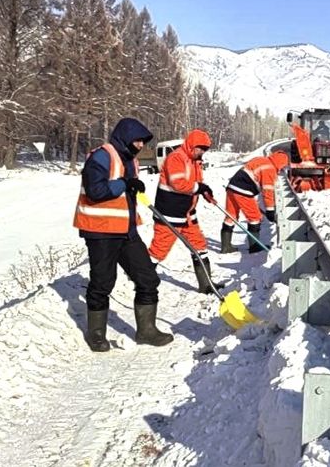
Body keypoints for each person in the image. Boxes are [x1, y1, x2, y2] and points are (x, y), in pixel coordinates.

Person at [73, 117, 173, 351]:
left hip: (126, 231)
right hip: (100, 231)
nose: (140, 145)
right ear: (125, 137)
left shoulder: (130, 160)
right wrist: (125, 184)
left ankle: (146, 330)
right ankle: (96, 334)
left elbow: (125, 187)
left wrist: (132, 184)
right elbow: (95, 190)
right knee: (102, 282)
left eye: (143, 141)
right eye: (137, 140)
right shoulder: (102, 156)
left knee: (148, 279)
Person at [147, 128, 222, 294]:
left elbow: (197, 183)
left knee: (199, 246)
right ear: (192, 145)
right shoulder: (176, 158)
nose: (202, 152)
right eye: (200, 148)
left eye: (204, 150)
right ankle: (141, 279)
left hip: (188, 213)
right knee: (159, 250)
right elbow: (178, 184)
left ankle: (206, 285)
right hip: (169, 212)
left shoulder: (195, 161)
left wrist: (205, 192)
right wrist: (199, 187)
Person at [220, 151, 290, 254]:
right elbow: (267, 191)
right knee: (255, 217)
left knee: (231, 216)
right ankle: (254, 246)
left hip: (232, 187)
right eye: (283, 166)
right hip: (243, 190)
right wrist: (270, 210)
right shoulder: (269, 169)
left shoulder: (261, 160)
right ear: (281, 163)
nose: (281, 169)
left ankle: (225, 247)